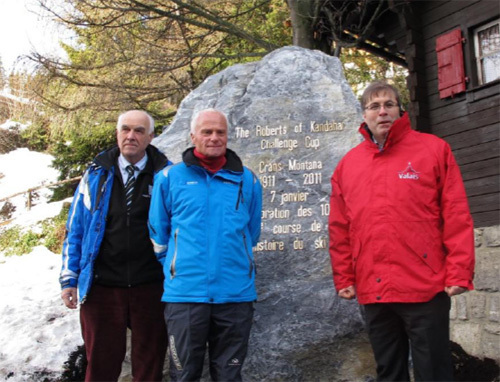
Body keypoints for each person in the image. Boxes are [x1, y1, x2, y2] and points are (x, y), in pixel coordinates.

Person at [328, 81, 475, 381]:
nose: (382, 112)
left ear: (399, 109)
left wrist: (459, 271)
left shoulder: (434, 150)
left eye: (388, 105)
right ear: (364, 115)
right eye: (374, 106)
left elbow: (456, 214)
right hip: (375, 289)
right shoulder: (348, 165)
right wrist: (344, 276)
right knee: (389, 371)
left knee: (433, 371)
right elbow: (340, 227)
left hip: (425, 286)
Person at [148, 108, 262, 382]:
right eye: (207, 132)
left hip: (235, 295)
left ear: (227, 136)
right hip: (186, 296)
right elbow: (158, 234)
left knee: (229, 376)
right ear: (193, 136)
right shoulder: (169, 178)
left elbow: (252, 232)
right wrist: (179, 269)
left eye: (220, 132)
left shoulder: (248, 180)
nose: (214, 138)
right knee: (184, 375)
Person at [59, 110, 170, 382]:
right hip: (102, 287)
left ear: (151, 137)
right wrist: (69, 278)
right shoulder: (96, 176)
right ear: (118, 133)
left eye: (139, 131)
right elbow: (77, 229)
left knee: (150, 366)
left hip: (151, 286)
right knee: (100, 366)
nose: (131, 136)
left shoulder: (167, 176)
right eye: (125, 129)